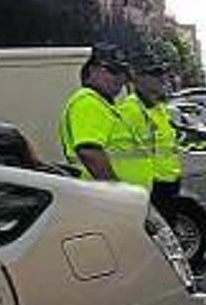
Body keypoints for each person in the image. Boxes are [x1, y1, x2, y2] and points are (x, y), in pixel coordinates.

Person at [58, 44, 153, 191]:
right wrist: (117, 190)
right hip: (107, 197)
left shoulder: (103, 104)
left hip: (118, 198)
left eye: (123, 73)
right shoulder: (88, 102)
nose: (120, 78)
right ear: (92, 70)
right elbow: (89, 152)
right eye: (113, 71)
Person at [120, 57, 183, 218]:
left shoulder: (159, 109)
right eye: (155, 74)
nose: (162, 78)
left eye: (163, 73)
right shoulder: (130, 110)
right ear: (138, 79)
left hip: (169, 185)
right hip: (150, 190)